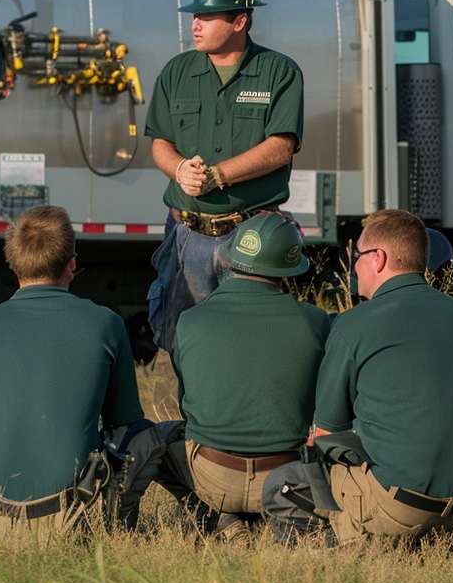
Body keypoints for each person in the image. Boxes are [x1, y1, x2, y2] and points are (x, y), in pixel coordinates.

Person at [264, 209, 453, 545]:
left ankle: (333, 553)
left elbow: (328, 431)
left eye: (357, 256)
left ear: (378, 258)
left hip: (399, 508)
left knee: (283, 483)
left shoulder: (353, 324)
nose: (354, 266)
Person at [144, 0, 305, 356]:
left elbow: (280, 146)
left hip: (250, 237)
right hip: (187, 234)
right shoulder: (176, 72)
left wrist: (217, 176)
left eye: (207, 16)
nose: (195, 24)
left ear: (240, 21)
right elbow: (160, 142)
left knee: (250, 347)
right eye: (195, 15)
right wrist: (179, 169)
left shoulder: (278, 72)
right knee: (183, 344)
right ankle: (191, 418)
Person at [0, 205, 146, 536]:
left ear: (13, 263)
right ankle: (124, 531)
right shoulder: (106, 325)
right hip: (70, 515)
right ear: (71, 263)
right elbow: (125, 425)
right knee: (149, 436)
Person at [137, 214, 329, 537]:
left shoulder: (190, 321)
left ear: (233, 259)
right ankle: (280, 519)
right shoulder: (316, 322)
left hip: (213, 477)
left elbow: (189, 406)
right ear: (289, 267)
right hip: (284, 477)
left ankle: (220, 521)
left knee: (155, 440)